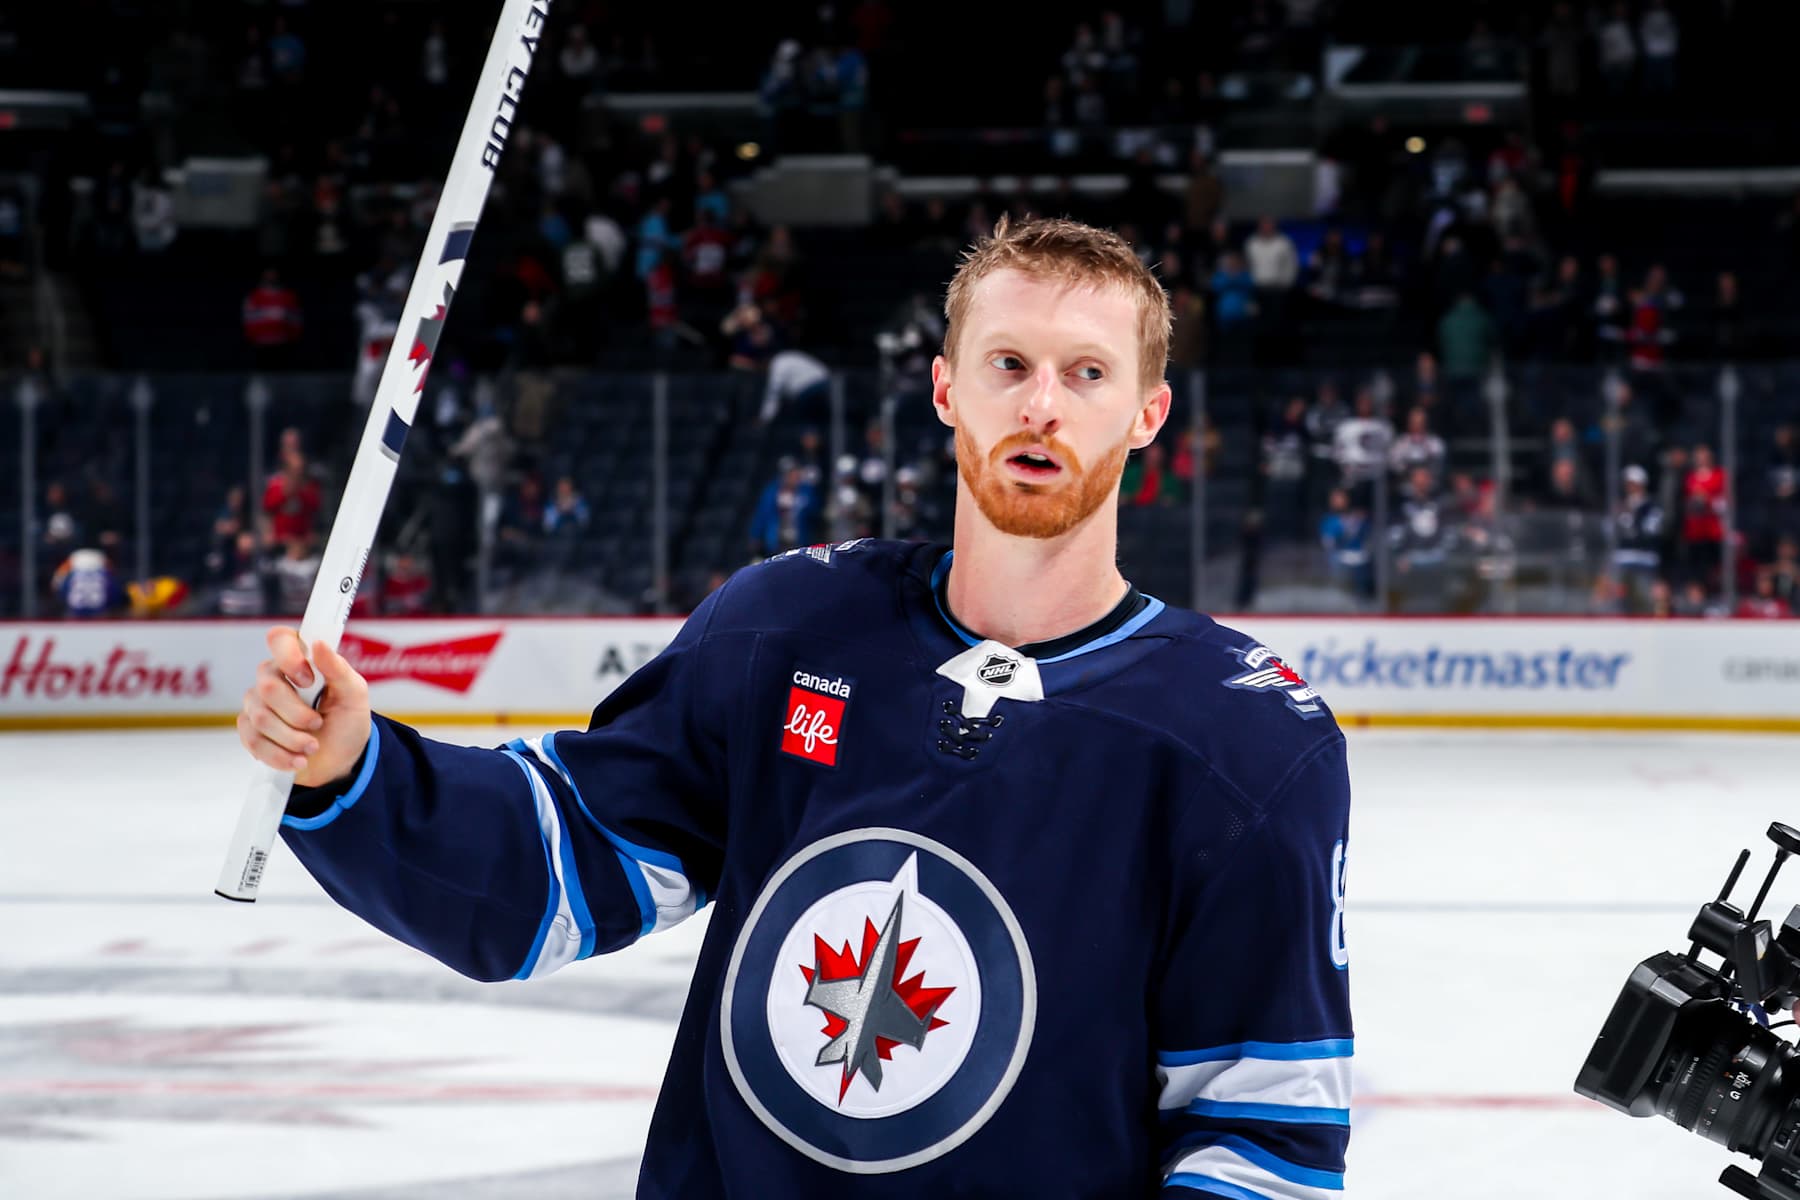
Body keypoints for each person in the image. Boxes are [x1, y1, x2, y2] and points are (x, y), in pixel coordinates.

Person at [236, 217, 1353, 1198]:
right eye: (1008, 363)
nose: (1043, 406)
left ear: (1149, 412)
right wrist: (356, 771)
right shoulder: (788, 628)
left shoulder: (1245, 741)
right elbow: (558, 869)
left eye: (1088, 374)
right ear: (944, 387)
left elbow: (1263, 1131)